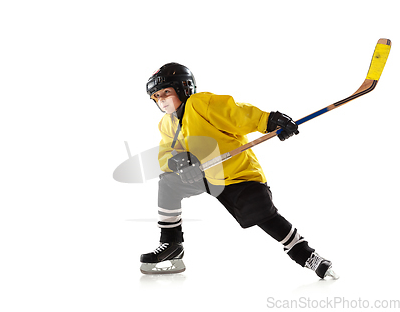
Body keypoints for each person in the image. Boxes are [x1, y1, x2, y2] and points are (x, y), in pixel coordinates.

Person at [140, 62, 338, 279]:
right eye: (157, 96)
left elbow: (235, 113)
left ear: (184, 88)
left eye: (167, 92)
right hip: (206, 177)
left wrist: (268, 121)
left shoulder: (200, 103)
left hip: (237, 175)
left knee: (263, 215)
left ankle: (307, 255)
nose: (162, 100)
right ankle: (171, 243)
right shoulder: (167, 124)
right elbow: (166, 153)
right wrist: (178, 162)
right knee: (168, 183)